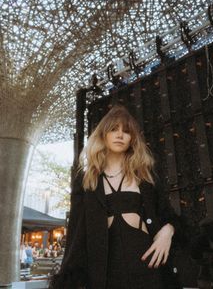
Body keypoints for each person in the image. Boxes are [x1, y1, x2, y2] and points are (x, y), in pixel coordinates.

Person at [49, 105, 182, 289]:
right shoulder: (87, 179)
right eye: (113, 129)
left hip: (147, 263)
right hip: (106, 271)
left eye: (126, 131)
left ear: (132, 138)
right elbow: (76, 232)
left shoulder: (145, 176)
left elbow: (169, 215)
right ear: (103, 135)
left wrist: (168, 231)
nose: (120, 135)